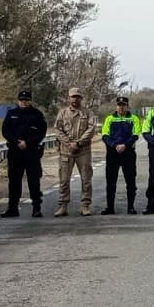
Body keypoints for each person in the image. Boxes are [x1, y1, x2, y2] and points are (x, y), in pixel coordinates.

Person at [2, 89, 48, 217]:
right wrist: (17, 142)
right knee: (14, 181)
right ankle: (12, 208)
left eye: (26, 100)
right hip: (15, 151)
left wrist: (27, 142)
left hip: (31, 152)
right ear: (18, 101)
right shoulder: (11, 113)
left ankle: (36, 208)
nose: (24, 102)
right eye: (21, 100)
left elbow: (41, 132)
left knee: (34, 181)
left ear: (30, 101)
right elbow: (5, 131)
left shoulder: (37, 114)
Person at [54, 87, 96, 216]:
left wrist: (78, 143)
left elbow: (91, 130)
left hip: (83, 150)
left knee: (86, 179)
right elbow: (58, 129)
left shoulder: (88, 113)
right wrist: (68, 143)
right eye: (73, 97)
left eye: (77, 97)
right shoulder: (62, 113)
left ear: (81, 98)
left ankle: (85, 205)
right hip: (66, 151)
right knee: (64, 180)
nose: (75, 99)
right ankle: (63, 205)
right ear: (69, 98)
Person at [100, 95, 141, 214]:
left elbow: (135, 135)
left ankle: (131, 207)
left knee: (131, 181)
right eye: (119, 105)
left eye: (123, 105)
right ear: (116, 106)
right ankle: (110, 207)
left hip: (128, 153)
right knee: (110, 181)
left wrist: (125, 145)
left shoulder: (134, 118)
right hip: (113, 153)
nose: (121, 107)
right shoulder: (109, 119)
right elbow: (105, 135)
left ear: (127, 106)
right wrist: (115, 145)